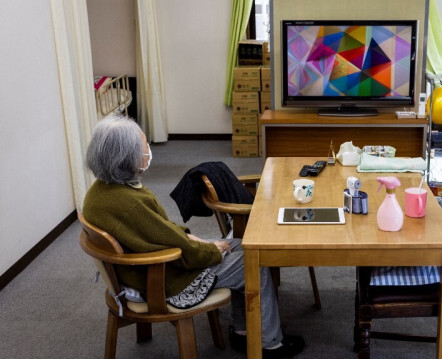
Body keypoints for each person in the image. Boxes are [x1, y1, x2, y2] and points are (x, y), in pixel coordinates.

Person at [82, 115, 304, 358]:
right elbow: (176, 247)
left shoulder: (100, 192)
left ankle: (243, 331)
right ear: (125, 157)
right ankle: (269, 343)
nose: (147, 151)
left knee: (241, 245)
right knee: (252, 259)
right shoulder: (130, 204)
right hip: (164, 279)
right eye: (143, 146)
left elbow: (159, 231)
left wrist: (194, 238)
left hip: (142, 271)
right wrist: (212, 248)